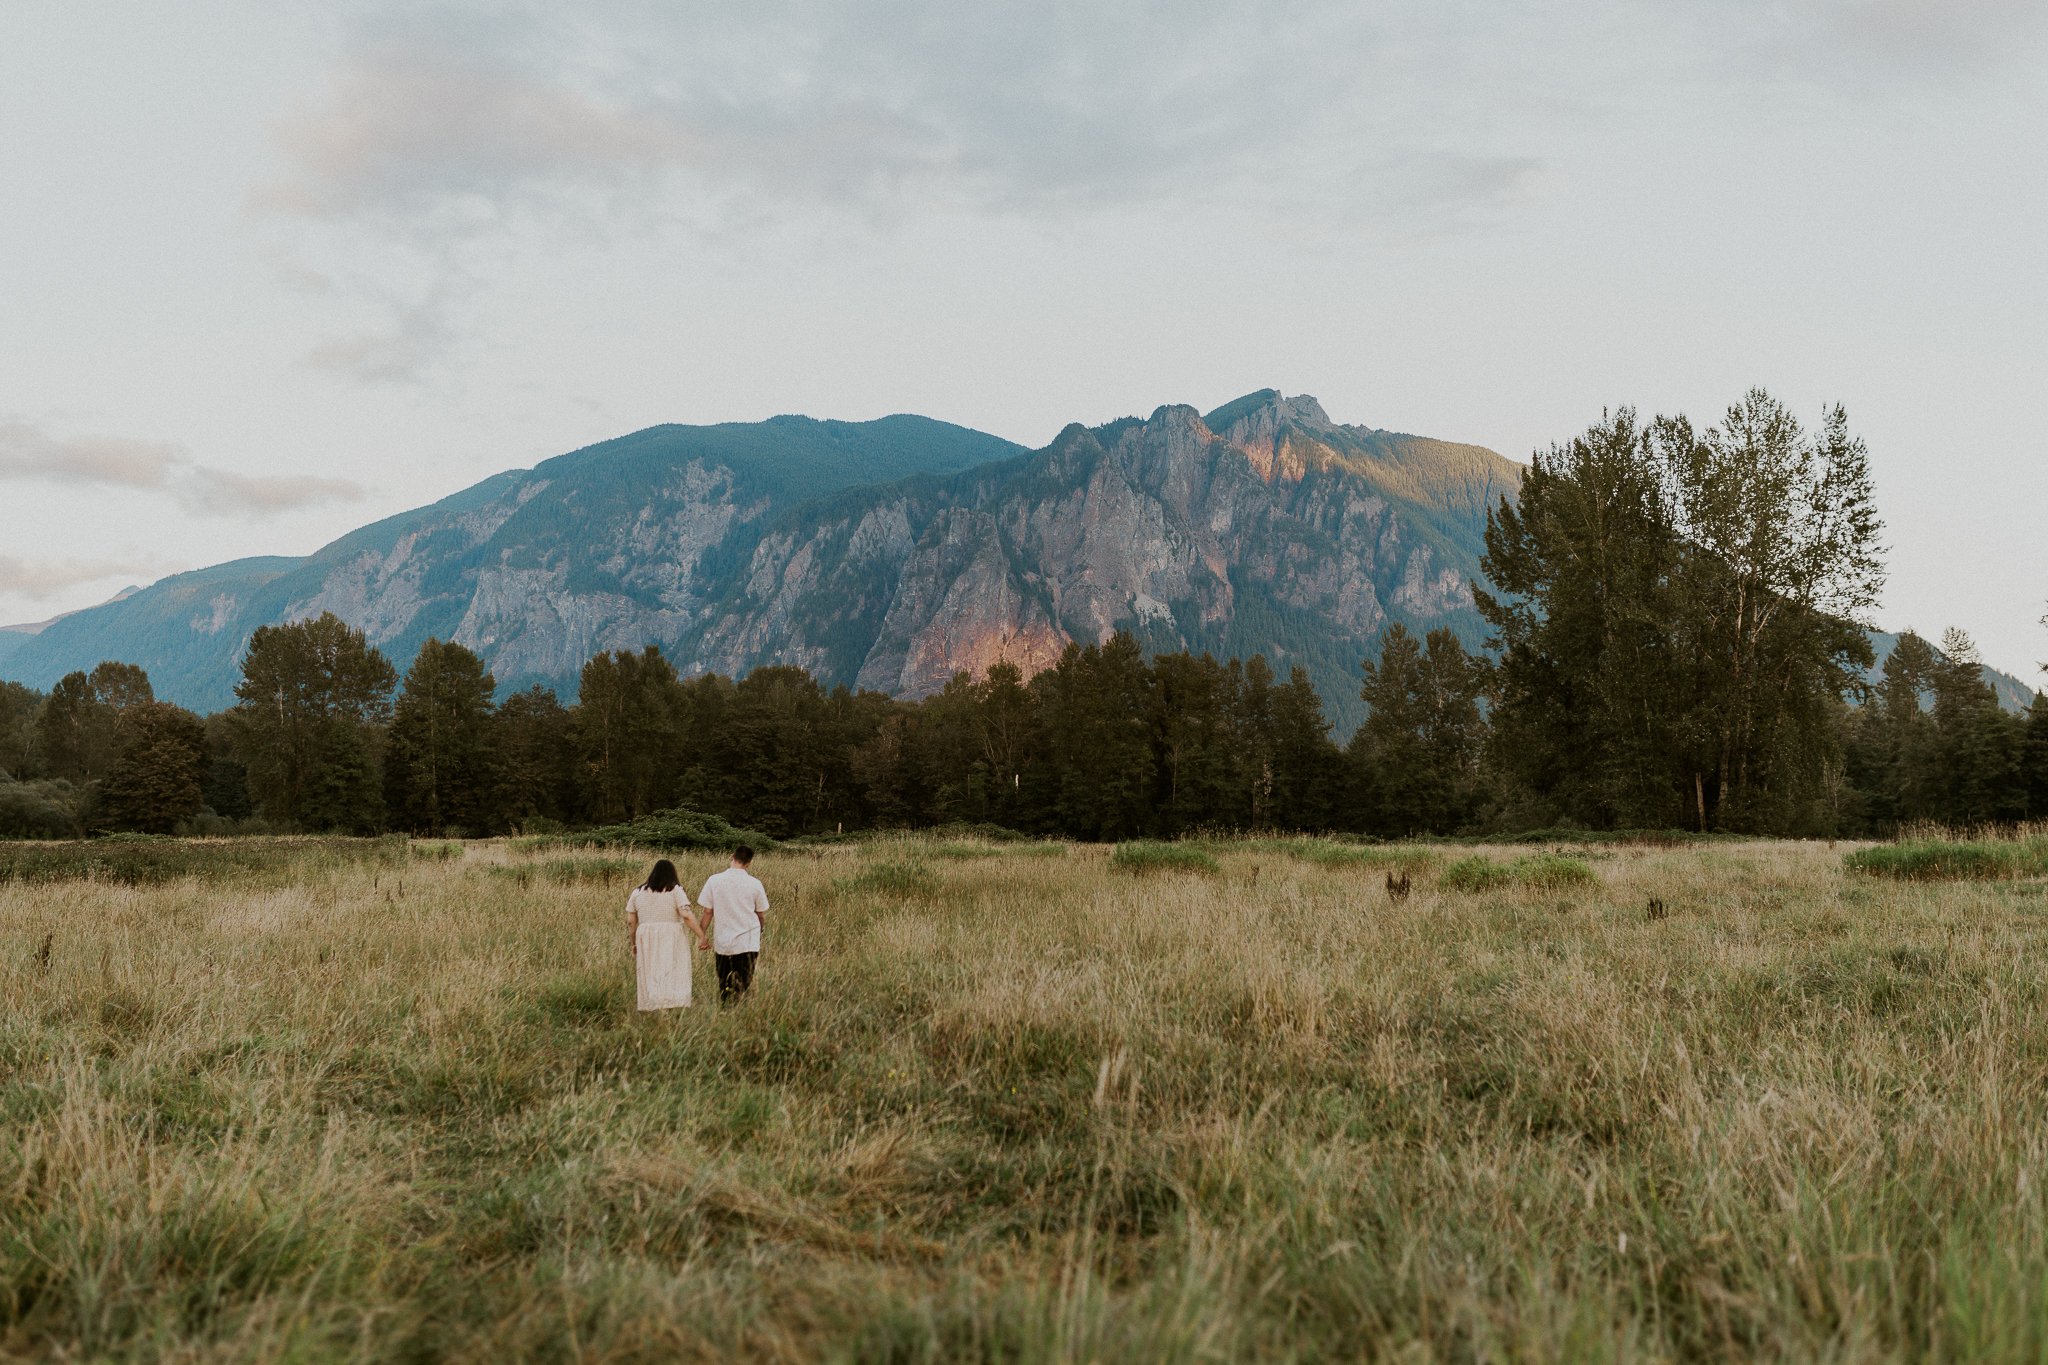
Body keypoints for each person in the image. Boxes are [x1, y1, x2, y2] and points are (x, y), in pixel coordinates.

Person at [627, 858, 708, 1012]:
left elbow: (631, 921)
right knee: (671, 967)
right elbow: (686, 915)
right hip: (670, 934)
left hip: (645, 934)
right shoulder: (675, 889)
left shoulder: (637, 892)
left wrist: (633, 942)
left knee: (650, 969)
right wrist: (701, 935)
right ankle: (671, 1004)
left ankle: (652, 1004)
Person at [697, 844, 769, 1005]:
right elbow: (760, 914)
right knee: (744, 981)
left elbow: (708, 912)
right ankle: (739, 1008)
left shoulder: (714, 880)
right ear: (749, 863)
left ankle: (726, 1008)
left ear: (732, 856)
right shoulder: (755, 883)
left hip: (723, 941)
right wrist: (761, 929)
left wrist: (702, 935)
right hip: (748, 940)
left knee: (724, 980)